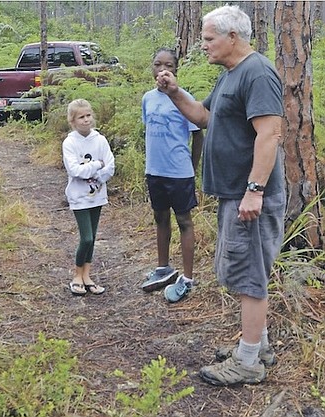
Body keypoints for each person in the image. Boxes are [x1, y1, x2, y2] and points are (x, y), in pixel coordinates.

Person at [156, 4, 285, 386]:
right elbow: (203, 117)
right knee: (244, 271)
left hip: (249, 196)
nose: (204, 45)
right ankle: (256, 347)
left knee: (249, 276)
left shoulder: (257, 72)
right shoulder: (231, 74)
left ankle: (247, 363)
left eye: (209, 38)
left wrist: (255, 191)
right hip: (235, 194)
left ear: (233, 37)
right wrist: (175, 91)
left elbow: (270, 134)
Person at [140, 48, 204, 303]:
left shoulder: (184, 98)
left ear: (175, 69)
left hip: (179, 172)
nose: (162, 69)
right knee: (160, 217)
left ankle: (187, 278)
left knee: (184, 221)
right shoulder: (147, 98)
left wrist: (192, 166)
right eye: (157, 64)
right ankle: (163, 268)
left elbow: (198, 133)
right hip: (155, 170)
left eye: (168, 65)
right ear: (152, 68)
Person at [62, 99, 115, 296]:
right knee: (86, 237)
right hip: (79, 197)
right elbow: (75, 170)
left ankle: (87, 275)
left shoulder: (100, 140)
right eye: (81, 117)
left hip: (97, 195)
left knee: (93, 238)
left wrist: (97, 174)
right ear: (72, 121)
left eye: (88, 116)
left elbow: (110, 165)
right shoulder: (70, 143)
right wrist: (95, 165)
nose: (86, 120)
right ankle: (77, 274)